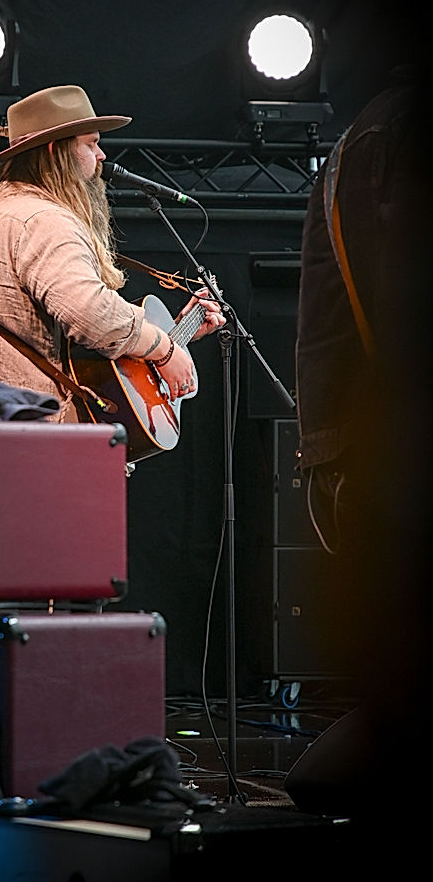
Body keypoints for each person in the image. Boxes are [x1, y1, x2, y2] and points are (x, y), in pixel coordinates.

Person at [288, 65, 429, 822]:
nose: (100, 155)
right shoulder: (398, 132)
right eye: (88, 144)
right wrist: (155, 342)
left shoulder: (370, 131)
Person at [0, 84, 226, 423]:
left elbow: (69, 339)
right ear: (56, 150)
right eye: (91, 144)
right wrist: (165, 349)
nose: (102, 156)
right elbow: (91, 314)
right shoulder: (43, 219)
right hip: (31, 425)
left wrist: (176, 333)